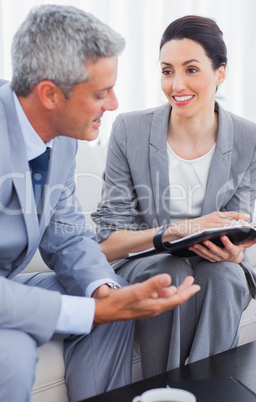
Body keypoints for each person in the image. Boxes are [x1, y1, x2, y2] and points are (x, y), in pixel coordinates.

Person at [0, 6, 202, 402]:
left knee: (113, 297)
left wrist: (102, 294)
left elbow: (67, 236)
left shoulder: (61, 133)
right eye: (102, 93)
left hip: (1, 284)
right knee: (11, 356)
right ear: (49, 94)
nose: (115, 104)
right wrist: (93, 312)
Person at [92, 15, 256, 378]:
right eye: (167, 71)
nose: (176, 84)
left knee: (227, 276)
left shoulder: (249, 139)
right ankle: (163, 391)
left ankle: (206, 392)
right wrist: (177, 230)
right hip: (148, 260)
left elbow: (238, 222)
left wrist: (236, 250)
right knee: (170, 269)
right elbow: (108, 239)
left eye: (191, 69)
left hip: (213, 265)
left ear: (221, 73)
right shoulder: (129, 130)